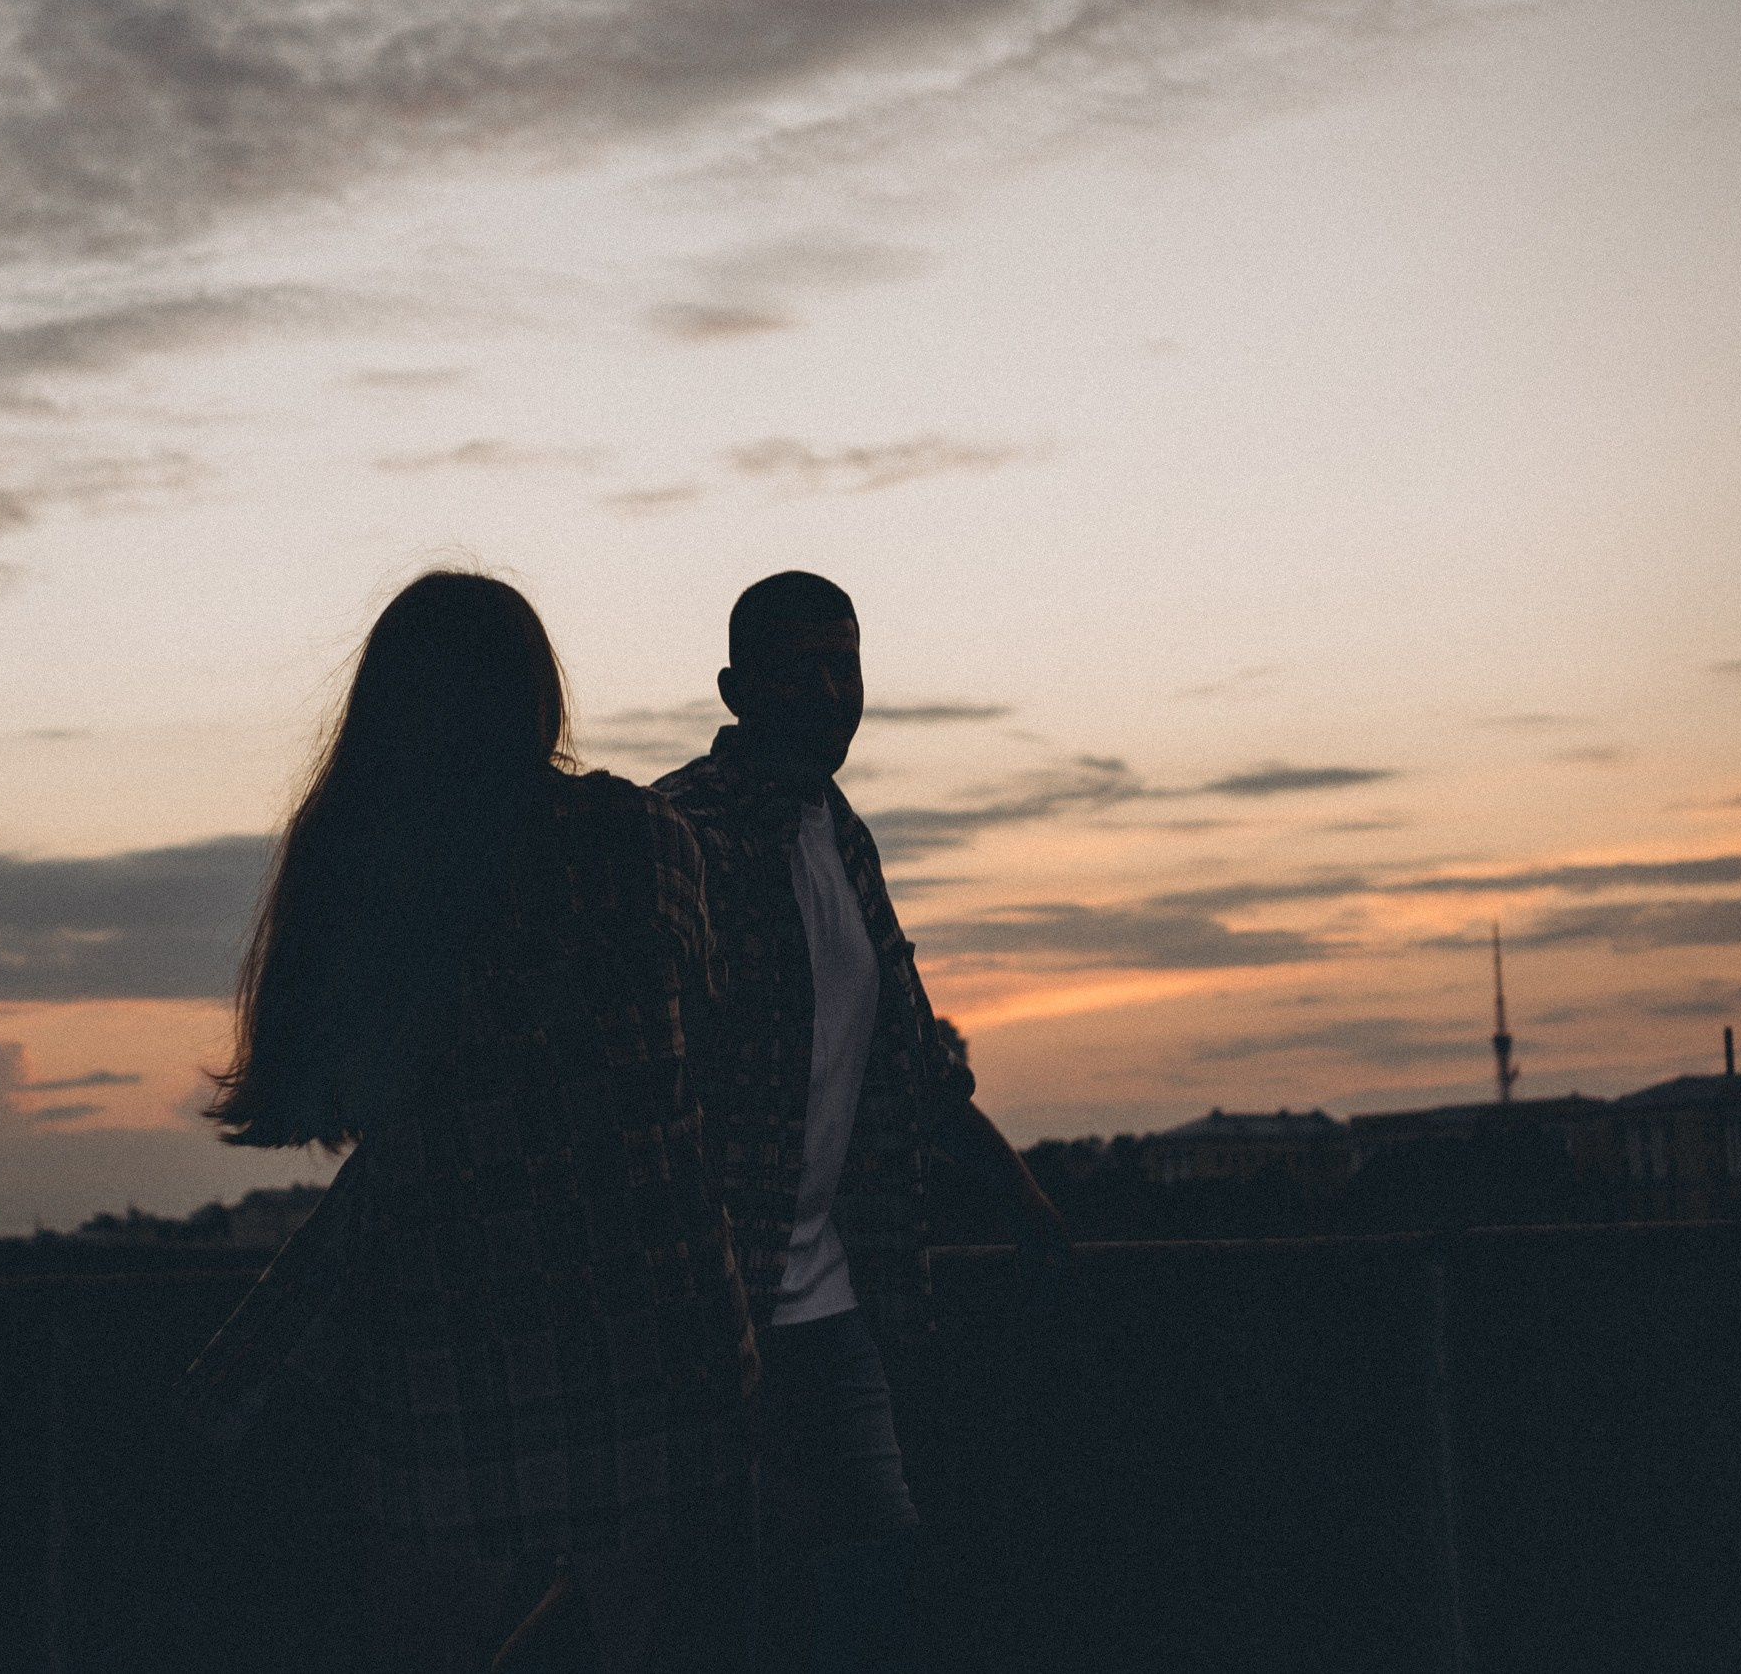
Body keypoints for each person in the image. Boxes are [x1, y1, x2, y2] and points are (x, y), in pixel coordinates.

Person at [180, 571, 759, 1673]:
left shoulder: (356, 864)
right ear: (536, 693)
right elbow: (701, 1045)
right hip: (660, 1319)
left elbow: (324, 1091)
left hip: (458, 1332)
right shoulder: (642, 837)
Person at [653, 571, 1072, 1673]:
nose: (834, 691)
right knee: (739, 1599)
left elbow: (913, 1056)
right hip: (705, 1307)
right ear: (736, 690)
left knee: (873, 1569)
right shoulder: (677, 835)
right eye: (804, 666)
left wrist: (1019, 1196)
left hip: (830, 1295)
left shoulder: (841, 835)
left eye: (848, 663)